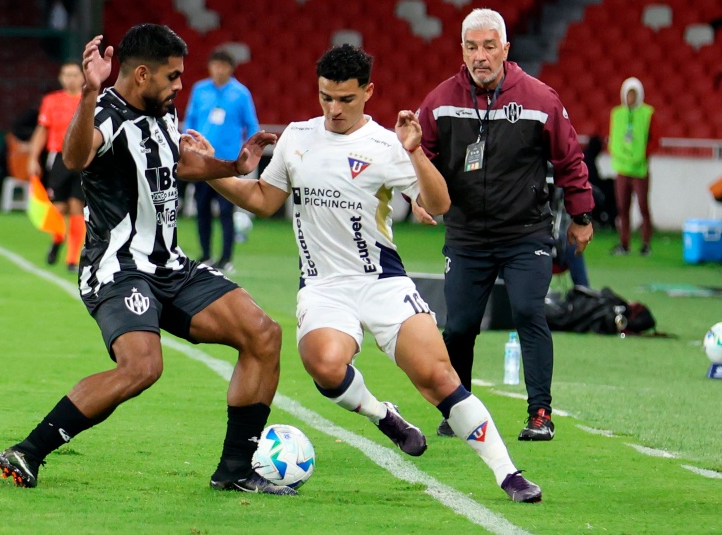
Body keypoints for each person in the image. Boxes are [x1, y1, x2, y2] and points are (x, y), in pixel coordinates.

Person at [193, 44, 542, 503]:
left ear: (368, 92)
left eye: (346, 100)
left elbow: (439, 204)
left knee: (438, 377)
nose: (334, 110)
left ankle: (508, 474)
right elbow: (263, 199)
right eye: (325, 98)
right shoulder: (297, 138)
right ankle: (384, 415)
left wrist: (415, 153)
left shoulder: (385, 146)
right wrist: (211, 172)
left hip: (382, 281)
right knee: (325, 365)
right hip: (323, 287)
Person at [0, 24, 295, 496]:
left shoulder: (162, 109)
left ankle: (235, 469)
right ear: (140, 74)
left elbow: (176, 163)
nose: (179, 85)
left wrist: (233, 166)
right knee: (142, 367)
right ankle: (28, 450)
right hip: (116, 269)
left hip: (168, 265)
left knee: (264, 334)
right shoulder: (106, 116)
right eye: (173, 77)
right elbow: (75, 159)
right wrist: (89, 93)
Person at [414, 9, 594, 442]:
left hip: (525, 233)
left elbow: (569, 158)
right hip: (466, 235)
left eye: (489, 46)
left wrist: (581, 215)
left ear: (505, 49)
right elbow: (415, 154)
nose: (481, 56)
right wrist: (413, 196)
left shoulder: (539, 98)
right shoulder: (439, 101)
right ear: (462, 51)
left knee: (530, 311)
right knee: (458, 326)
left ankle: (540, 413)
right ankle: (459, 409)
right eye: (472, 47)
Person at [182, 48, 259, 273]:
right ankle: (205, 254)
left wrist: (250, 150)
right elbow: (191, 120)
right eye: (215, 65)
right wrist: (187, 145)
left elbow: (251, 124)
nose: (218, 70)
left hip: (226, 162)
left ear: (230, 68)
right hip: (201, 161)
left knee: (226, 211)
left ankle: (226, 258)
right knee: (202, 209)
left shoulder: (241, 93)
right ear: (210, 67)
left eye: (223, 66)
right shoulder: (200, 90)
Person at [28, 61, 86, 272]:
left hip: (83, 158)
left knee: (76, 205)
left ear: (82, 77)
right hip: (60, 158)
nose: (71, 78)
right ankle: (57, 241)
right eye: (66, 74)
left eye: (74, 74)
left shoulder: (91, 101)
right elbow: (42, 130)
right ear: (61, 78)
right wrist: (33, 157)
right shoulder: (52, 101)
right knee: (59, 208)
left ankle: (72, 259)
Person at [608, 77, 656, 257]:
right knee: (622, 207)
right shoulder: (617, 114)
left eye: (634, 95)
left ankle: (645, 243)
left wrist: (643, 155)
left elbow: (654, 139)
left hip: (640, 169)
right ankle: (624, 243)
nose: (630, 98)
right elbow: (613, 137)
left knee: (643, 206)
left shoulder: (647, 113)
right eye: (628, 94)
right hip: (622, 168)